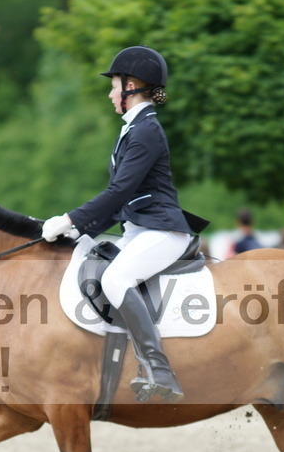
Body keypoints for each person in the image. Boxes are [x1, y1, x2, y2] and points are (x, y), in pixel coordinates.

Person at [41, 46, 204, 403]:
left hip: (162, 231)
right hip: (140, 229)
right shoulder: (134, 129)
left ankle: (160, 369)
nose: (110, 93)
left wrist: (71, 217)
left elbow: (119, 191)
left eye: (114, 86)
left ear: (131, 86)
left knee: (116, 278)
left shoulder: (146, 130)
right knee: (89, 258)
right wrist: (78, 232)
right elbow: (121, 203)